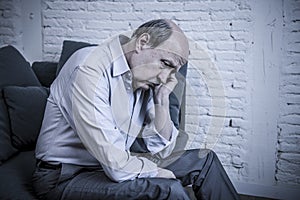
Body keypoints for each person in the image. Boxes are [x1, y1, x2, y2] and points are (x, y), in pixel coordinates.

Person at [32, 19, 240, 200]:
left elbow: (161, 149)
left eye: (173, 70)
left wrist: (162, 101)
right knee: (168, 189)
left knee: (205, 160)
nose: (164, 77)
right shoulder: (88, 68)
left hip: (109, 166)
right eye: (165, 63)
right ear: (142, 42)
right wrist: (157, 171)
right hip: (63, 177)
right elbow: (113, 163)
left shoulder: (144, 78)